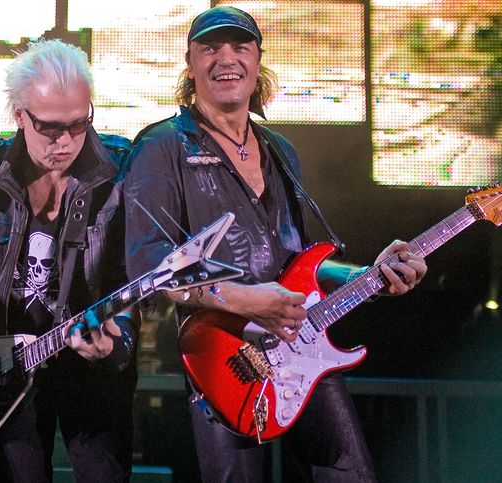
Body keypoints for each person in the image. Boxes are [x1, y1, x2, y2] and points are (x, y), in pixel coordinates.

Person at [124, 6, 428, 482]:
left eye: (240, 46)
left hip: (301, 344)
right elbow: (148, 264)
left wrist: (370, 275)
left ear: (257, 60)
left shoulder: (280, 151)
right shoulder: (161, 146)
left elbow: (300, 263)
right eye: (210, 48)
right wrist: (244, 300)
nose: (227, 58)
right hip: (223, 360)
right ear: (190, 65)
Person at [0, 39, 138, 482]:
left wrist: (117, 344)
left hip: (93, 373)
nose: (65, 141)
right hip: (6, 369)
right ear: (19, 115)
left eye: (79, 123)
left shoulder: (123, 170)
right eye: (49, 127)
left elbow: (131, 278)